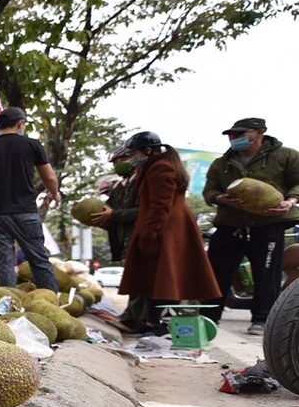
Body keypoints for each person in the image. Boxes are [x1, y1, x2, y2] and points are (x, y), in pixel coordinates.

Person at [201, 117, 299, 334]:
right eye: (231, 135)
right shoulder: (221, 163)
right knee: (217, 273)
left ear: (260, 132)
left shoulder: (287, 155)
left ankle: (262, 320)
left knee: (267, 274)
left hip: (268, 224)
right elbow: (209, 191)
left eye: (240, 133)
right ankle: (208, 319)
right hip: (230, 225)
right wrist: (219, 198)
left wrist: (290, 200)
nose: (233, 138)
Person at [117, 131, 222, 334]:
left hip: (166, 229)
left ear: (148, 150)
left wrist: (150, 234)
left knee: (164, 279)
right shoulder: (153, 167)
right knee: (154, 278)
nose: (131, 158)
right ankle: (151, 321)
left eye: (134, 153)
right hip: (165, 227)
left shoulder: (161, 168)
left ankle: (157, 323)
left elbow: (160, 206)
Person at [0, 106, 61, 291]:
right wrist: (54, 193)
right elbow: (49, 177)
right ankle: (53, 302)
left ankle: (10, 309)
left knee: (4, 264)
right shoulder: (32, 145)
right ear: (20, 124)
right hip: (25, 212)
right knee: (39, 260)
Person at [89, 140, 150, 330]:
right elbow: (111, 213)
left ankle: (141, 319)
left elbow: (143, 210)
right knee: (133, 279)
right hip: (124, 239)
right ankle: (131, 315)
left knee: (141, 279)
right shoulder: (118, 187)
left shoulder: (142, 181)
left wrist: (113, 215)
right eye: (115, 162)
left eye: (122, 159)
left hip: (139, 235)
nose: (118, 165)